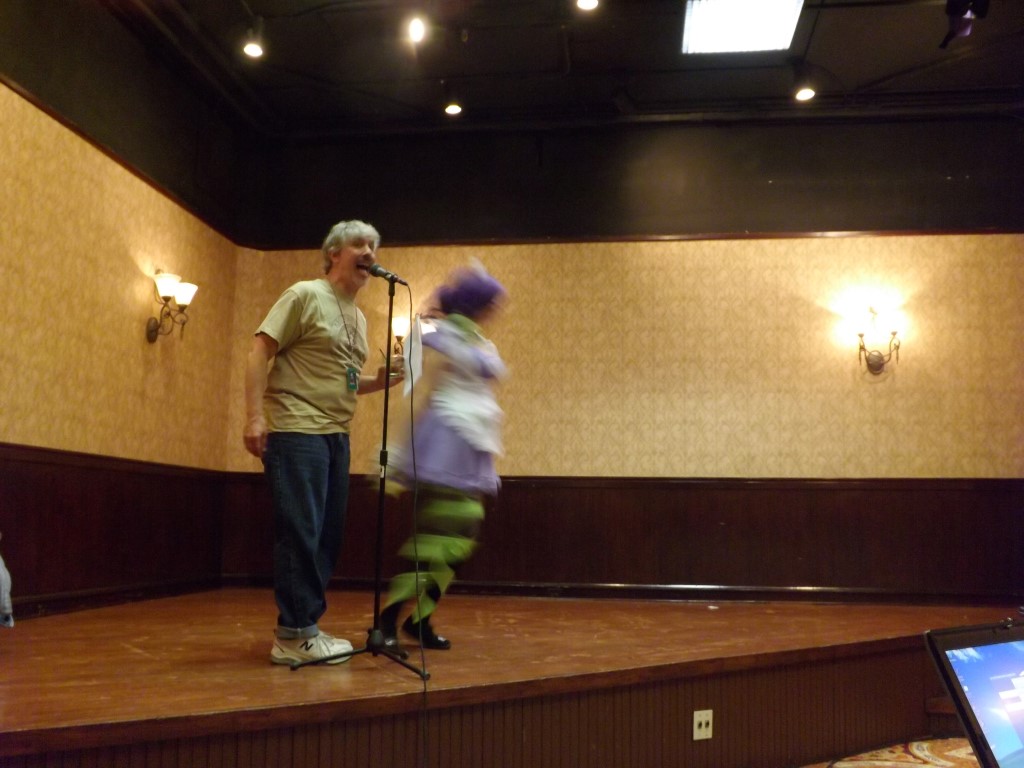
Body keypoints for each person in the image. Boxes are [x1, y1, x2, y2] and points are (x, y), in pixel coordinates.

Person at [244, 219, 402, 666]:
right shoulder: (304, 295)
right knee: (301, 531)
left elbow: (347, 381)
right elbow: (259, 350)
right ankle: (294, 635)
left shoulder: (359, 317)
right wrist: (254, 416)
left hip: (336, 435)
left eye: (374, 245)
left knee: (326, 535)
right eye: (360, 244)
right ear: (334, 253)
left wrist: (381, 380)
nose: (370, 252)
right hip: (297, 430)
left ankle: (306, 627)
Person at [379, 264, 508, 651]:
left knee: (460, 540)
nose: (495, 311)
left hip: (469, 448)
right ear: (476, 303)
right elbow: (419, 347)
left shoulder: (477, 340)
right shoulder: (444, 333)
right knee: (433, 540)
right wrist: (428, 322)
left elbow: (488, 371)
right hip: (443, 444)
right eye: (491, 303)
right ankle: (388, 620)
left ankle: (420, 618)